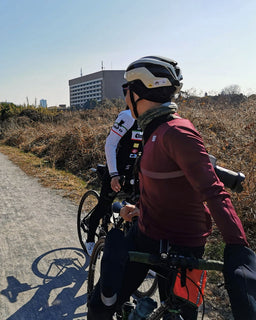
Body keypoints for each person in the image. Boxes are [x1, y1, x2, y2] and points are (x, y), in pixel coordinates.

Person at [87, 56, 250, 320]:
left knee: (101, 309)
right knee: (110, 302)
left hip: (178, 247)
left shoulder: (176, 132)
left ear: (139, 92)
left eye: (126, 91)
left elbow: (214, 191)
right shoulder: (154, 130)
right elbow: (168, 185)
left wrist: (240, 252)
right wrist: (139, 208)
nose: (125, 98)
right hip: (154, 231)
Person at [85, 107, 142, 256]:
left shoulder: (151, 118)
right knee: (103, 207)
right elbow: (110, 144)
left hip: (134, 173)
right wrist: (114, 174)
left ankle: (138, 252)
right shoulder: (127, 116)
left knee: (138, 209)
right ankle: (90, 241)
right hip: (116, 171)